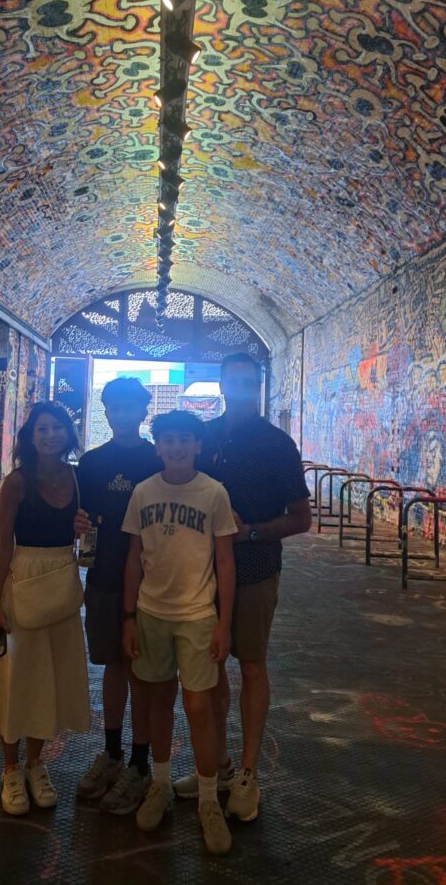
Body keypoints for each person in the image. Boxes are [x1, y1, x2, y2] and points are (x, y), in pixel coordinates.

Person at [173, 352, 312, 822]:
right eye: (233, 380)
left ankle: (249, 773)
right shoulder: (205, 437)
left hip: (255, 571)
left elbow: (301, 518)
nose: (241, 388)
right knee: (208, 670)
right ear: (221, 386)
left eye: (249, 381)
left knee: (251, 666)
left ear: (258, 386)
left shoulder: (277, 445)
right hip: (202, 573)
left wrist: (249, 532)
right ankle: (217, 767)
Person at [122, 410, 237, 856]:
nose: (176, 447)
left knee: (199, 706)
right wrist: (129, 617)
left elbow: (225, 561)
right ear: (158, 447)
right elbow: (134, 559)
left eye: (184, 439)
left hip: (197, 615)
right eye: (168, 440)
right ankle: (162, 784)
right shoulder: (142, 492)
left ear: (198, 445)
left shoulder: (214, 493)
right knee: (158, 702)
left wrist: (224, 621)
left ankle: (208, 800)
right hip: (151, 613)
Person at [0, 402, 90, 816]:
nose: (50, 435)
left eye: (57, 427)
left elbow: (87, 536)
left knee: (47, 678)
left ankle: (36, 765)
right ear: (31, 437)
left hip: (61, 583)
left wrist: (83, 529)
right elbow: (3, 544)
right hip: (22, 581)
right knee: (15, 677)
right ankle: (10, 769)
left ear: (68, 433)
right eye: (42, 429)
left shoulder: (76, 478)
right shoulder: (17, 483)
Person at [74, 377, 170, 815]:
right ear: (107, 412)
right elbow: (80, 517)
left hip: (152, 583)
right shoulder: (92, 463)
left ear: (143, 412)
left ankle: (139, 763)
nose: (123, 414)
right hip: (105, 577)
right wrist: (78, 529)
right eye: (116, 407)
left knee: (142, 673)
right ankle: (112, 753)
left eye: (131, 407)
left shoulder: (158, 459)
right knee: (114, 666)